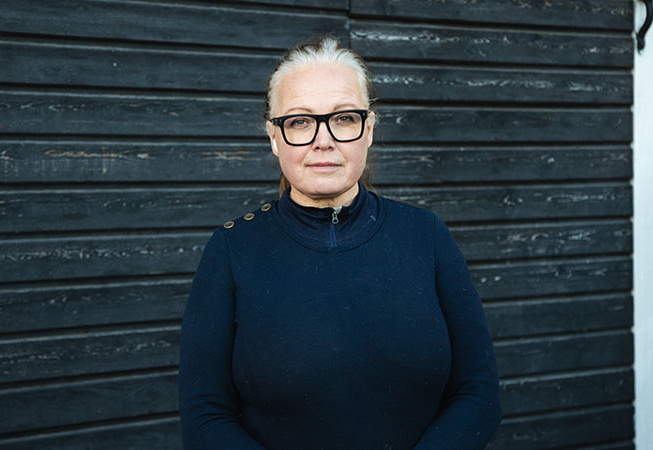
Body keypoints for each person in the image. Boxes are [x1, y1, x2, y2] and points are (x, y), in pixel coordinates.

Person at [178, 36, 501, 449]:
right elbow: (205, 415)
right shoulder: (231, 251)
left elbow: (479, 392)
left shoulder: (426, 236)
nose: (323, 140)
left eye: (344, 118)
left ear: (368, 129)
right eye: (299, 122)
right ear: (273, 137)